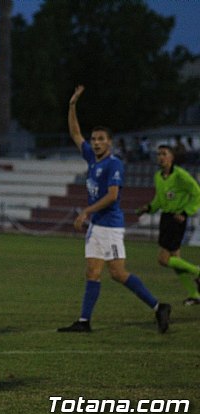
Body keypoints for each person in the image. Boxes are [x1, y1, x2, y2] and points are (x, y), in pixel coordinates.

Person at [58, 85, 171, 333]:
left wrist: (86, 211)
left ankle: (158, 306)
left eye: (101, 139)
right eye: (94, 139)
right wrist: (72, 105)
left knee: (118, 273)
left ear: (109, 142)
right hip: (97, 225)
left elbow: (112, 196)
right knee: (92, 270)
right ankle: (84, 321)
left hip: (109, 226)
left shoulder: (114, 164)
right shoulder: (91, 157)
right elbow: (75, 133)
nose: (96, 143)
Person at [136, 144, 200, 305]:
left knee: (163, 259)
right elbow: (160, 199)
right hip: (166, 218)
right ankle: (194, 295)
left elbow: (197, 192)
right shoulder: (158, 176)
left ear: (172, 157)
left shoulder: (180, 175)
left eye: (164, 154)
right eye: (158, 154)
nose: (160, 157)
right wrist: (149, 208)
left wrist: (186, 212)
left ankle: (198, 271)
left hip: (176, 220)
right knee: (175, 260)